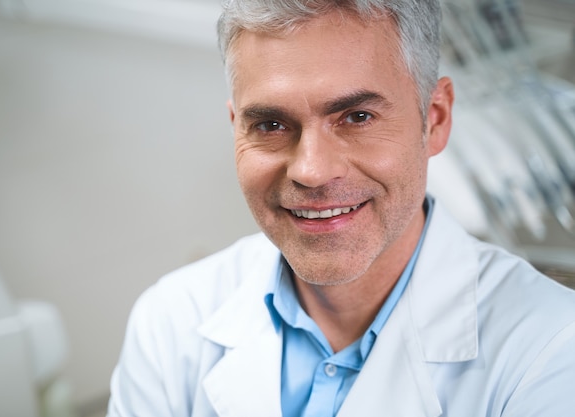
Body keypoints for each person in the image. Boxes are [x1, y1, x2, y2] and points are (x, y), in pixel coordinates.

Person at [107, 0, 575, 416]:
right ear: (236, 128)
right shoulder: (172, 321)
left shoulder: (550, 348)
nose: (310, 170)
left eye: (357, 117)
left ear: (434, 119)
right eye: (270, 124)